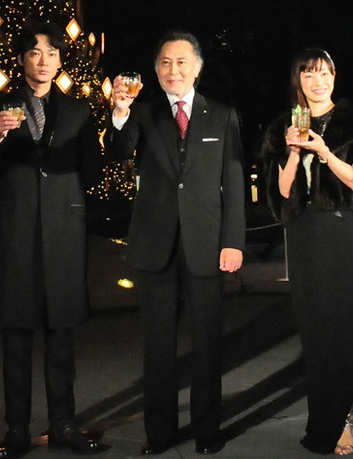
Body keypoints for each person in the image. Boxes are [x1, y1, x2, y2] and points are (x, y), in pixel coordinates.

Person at [110, 31, 245, 456]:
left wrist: (234, 241)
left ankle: (208, 430)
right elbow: (117, 152)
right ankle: (160, 433)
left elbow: (235, 184)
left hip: (207, 244)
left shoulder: (222, 116)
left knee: (207, 344)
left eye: (182, 62)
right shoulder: (144, 113)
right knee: (158, 347)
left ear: (198, 68)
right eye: (165, 63)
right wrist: (118, 113)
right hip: (156, 244)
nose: (173, 70)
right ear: (155, 70)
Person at [0, 21, 105, 459]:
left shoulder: (79, 111)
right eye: (35, 53)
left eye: (52, 52)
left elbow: (94, 172)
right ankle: (16, 430)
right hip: (15, 233)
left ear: (60, 60)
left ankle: (63, 424)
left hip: (64, 231)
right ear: (21, 59)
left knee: (61, 334)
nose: (44, 60)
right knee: (16, 335)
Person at [260, 48, 353, 455]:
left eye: (324, 73)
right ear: (298, 81)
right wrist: (294, 151)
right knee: (316, 334)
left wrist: (325, 152)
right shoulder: (283, 126)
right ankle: (323, 417)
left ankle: (348, 419)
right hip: (304, 235)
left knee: (346, 329)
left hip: (342, 231)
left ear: (335, 76)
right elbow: (280, 194)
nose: (317, 81)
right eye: (308, 74)